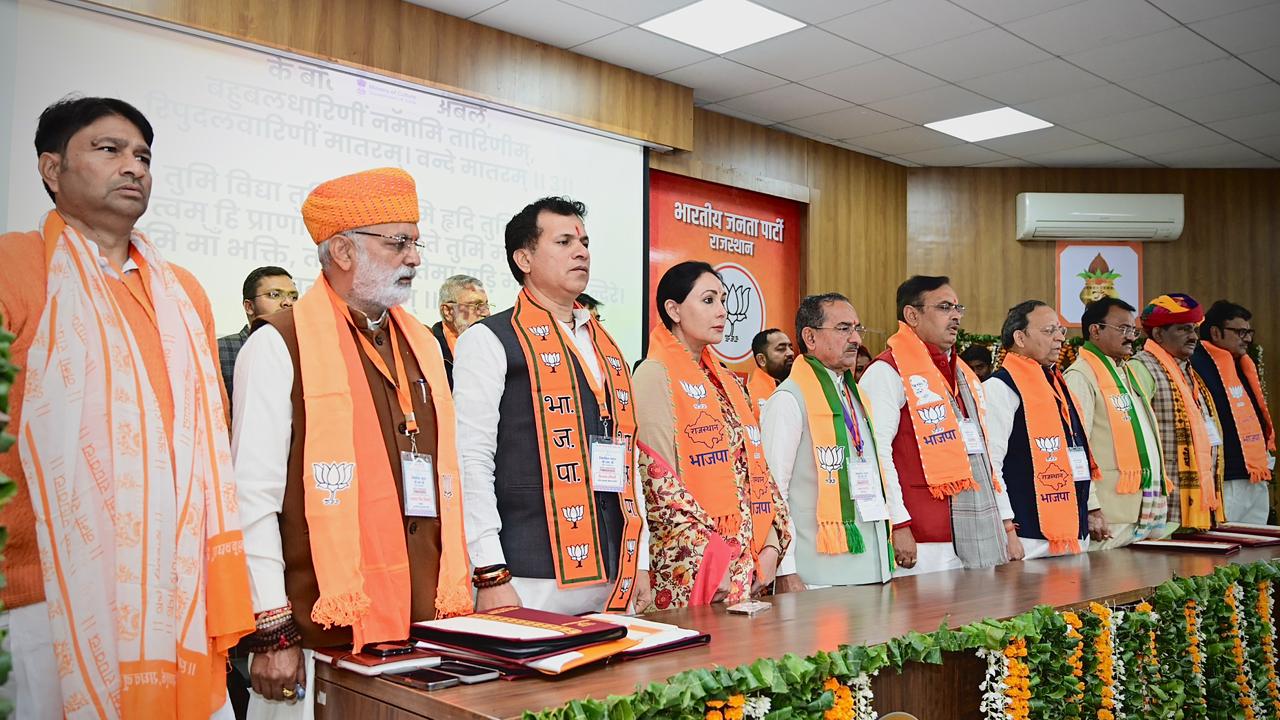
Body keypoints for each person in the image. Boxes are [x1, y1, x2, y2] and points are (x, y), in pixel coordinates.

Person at [0, 96, 252, 718]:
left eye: (143, 156)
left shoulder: (182, 291)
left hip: (177, 588)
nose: (133, 166)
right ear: (51, 169)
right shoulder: (13, 266)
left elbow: (211, 437)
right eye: (109, 150)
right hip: (42, 592)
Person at [231, 168, 471, 719]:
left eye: (416, 243)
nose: (414, 258)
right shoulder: (279, 345)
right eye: (398, 243)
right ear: (341, 250)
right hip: (318, 633)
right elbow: (251, 499)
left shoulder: (422, 345)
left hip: (424, 623)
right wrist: (272, 628)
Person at [453, 197, 648, 615]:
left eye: (584, 242)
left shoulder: (605, 344)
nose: (581, 252)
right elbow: (470, 460)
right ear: (524, 259)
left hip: (614, 569)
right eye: (564, 242)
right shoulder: (488, 339)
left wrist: (641, 559)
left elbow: (628, 456)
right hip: (529, 573)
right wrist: (489, 571)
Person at [632, 262, 790, 609]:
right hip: (696, 572)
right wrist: (714, 563)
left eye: (723, 300)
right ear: (673, 310)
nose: (722, 311)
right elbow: (657, 484)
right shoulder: (653, 376)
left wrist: (770, 545)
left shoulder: (729, 382)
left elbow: (755, 468)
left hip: (748, 567)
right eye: (708, 300)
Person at [860, 276, 1018, 575]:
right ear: (912, 315)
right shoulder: (887, 371)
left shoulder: (962, 375)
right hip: (920, 536)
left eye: (958, 307)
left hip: (972, 528)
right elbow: (877, 454)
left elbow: (986, 455)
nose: (955, 316)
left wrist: (1006, 523)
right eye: (945, 307)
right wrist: (899, 523)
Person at [763, 294, 893, 591]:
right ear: (810, 337)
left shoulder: (856, 396)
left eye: (857, 329)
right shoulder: (788, 399)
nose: (856, 339)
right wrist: (785, 570)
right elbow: (773, 492)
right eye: (844, 328)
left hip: (872, 568)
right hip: (818, 576)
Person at [985, 301, 1094, 559]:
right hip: (1027, 537)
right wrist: (1007, 528)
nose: (1060, 338)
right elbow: (991, 466)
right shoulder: (999, 388)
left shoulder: (1057, 384)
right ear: (1020, 338)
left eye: (1060, 330)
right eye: (1048, 331)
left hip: (1073, 532)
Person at [1064, 298, 1171, 549]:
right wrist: (1091, 506)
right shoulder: (1080, 376)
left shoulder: (1125, 372)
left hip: (1137, 509)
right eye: (1123, 329)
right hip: (1108, 515)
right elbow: (1075, 446)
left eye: (1133, 330)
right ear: (1095, 330)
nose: (1131, 337)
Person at [1130, 294, 1224, 530]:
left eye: (1194, 329)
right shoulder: (1141, 368)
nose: (1193, 336)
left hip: (1197, 498)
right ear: (1158, 334)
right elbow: (1133, 436)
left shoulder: (1188, 371)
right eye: (1183, 329)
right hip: (1166, 500)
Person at [1191, 300, 1274, 523]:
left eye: (1249, 332)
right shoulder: (1195, 364)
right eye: (1240, 332)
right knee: (1225, 541)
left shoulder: (1243, 364)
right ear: (1215, 332)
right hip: (1224, 477)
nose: (1247, 339)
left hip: (1255, 474)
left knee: (1258, 541)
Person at [218, 266, 297, 403]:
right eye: (274, 295)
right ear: (249, 307)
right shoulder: (220, 349)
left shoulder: (301, 352)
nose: (288, 303)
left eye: (294, 297)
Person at [430, 273, 490, 387]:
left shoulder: (493, 345)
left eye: (486, 305)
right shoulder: (428, 348)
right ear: (448, 311)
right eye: (475, 305)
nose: (486, 313)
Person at [746, 327, 795, 420]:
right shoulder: (746, 397)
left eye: (791, 347)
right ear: (761, 359)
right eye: (781, 349)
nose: (791, 353)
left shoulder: (799, 388)